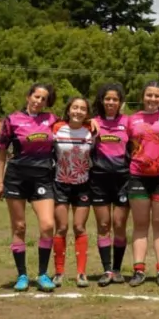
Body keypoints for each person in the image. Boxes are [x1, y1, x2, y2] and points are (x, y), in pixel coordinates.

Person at [0, 83, 59, 292]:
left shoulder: (52, 120)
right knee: (19, 227)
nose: (39, 101)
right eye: (36, 96)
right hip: (16, 178)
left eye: (43, 99)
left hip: (43, 178)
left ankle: (43, 274)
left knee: (47, 225)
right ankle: (22, 275)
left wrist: (90, 122)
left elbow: (75, 123)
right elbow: (1, 152)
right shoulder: (12, 120)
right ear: (28, 97)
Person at [125, 81, 159, 287]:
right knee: (140, 224)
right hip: (138, 175)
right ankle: (138, 270)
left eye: (157, 96)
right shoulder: (132, 119)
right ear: (143, 96)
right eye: (149, 95)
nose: (153, 99)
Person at [89, 82, 131, 286]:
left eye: (115, 99)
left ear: (120, 102)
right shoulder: (93, 122)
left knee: (119, 224)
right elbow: (69, 122)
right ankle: (106, 270)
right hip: (99, 178)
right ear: (102, 101)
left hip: (123, 179)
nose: (111, 102)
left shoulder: (128, 122)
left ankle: (117, 269)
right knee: (104, 225)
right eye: (108, 99)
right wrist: (88, 121)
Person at [51, 96, 95, 288]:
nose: (78, 111)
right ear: (68, 110)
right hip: (60, 183)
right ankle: (59, 273)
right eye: (75, 107)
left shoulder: (91, 130)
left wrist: (94, 122)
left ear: (87, 113)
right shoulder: (56, 128)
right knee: (61, 228)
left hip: (83, 184)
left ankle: (81, 273)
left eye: (83, 109)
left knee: (79, 227)